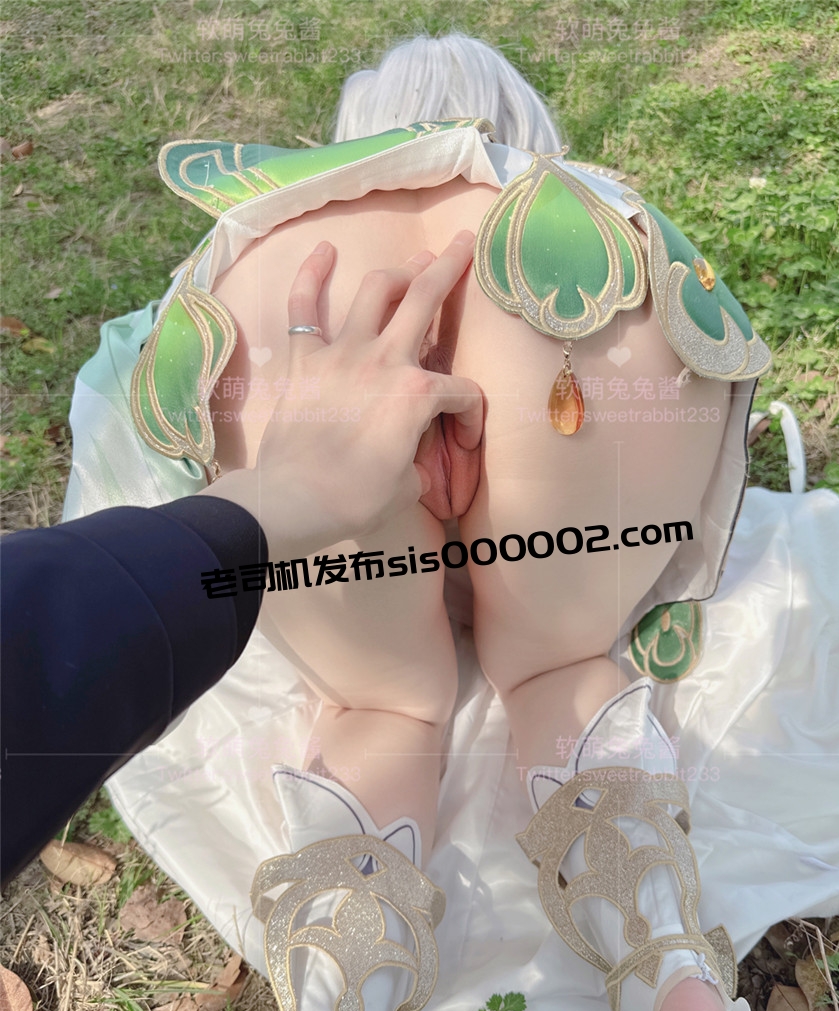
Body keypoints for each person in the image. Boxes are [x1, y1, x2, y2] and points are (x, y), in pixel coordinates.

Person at [59, 32, 839, 1011]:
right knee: (558, 664)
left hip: (297, 310)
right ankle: (658, 949)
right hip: (573, 287)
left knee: (384, 701)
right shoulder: (570, 201)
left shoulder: (283, 224)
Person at [0, 240, 484, 884]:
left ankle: (347, 935)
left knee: (386, 707)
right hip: (520, 307)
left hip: (270, 357)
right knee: (559, 666)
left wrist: (278, 497)